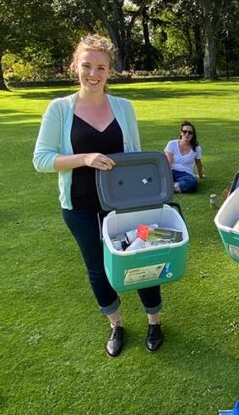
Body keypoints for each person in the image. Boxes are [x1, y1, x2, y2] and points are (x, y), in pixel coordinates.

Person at [33, 34, 164, 357]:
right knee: (97, 268)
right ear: (75, 66)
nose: (93, 74)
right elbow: (42, 159)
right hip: (79, 206)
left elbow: (133, 155)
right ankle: (116, 325)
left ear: (110, 71)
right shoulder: (59, 110)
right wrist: (84, 158)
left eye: (101, 68)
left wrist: (150, 190)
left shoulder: (124, 107)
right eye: (87, 66)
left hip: (124, 205)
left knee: (140, 257)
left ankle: (154, 321)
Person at [164, 121, 204, 193]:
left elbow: (198, 163)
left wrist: (200, 176)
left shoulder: (197, 148)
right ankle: (174, 187)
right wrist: (166, 176)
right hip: (171, 171)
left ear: (193, 135)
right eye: (185, 131)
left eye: (190, 132)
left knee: (192, 183)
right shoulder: (172, 144)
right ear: (181, 132)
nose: (187, 134)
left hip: (186, 175)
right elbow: (168, 162)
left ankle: (166, 187)